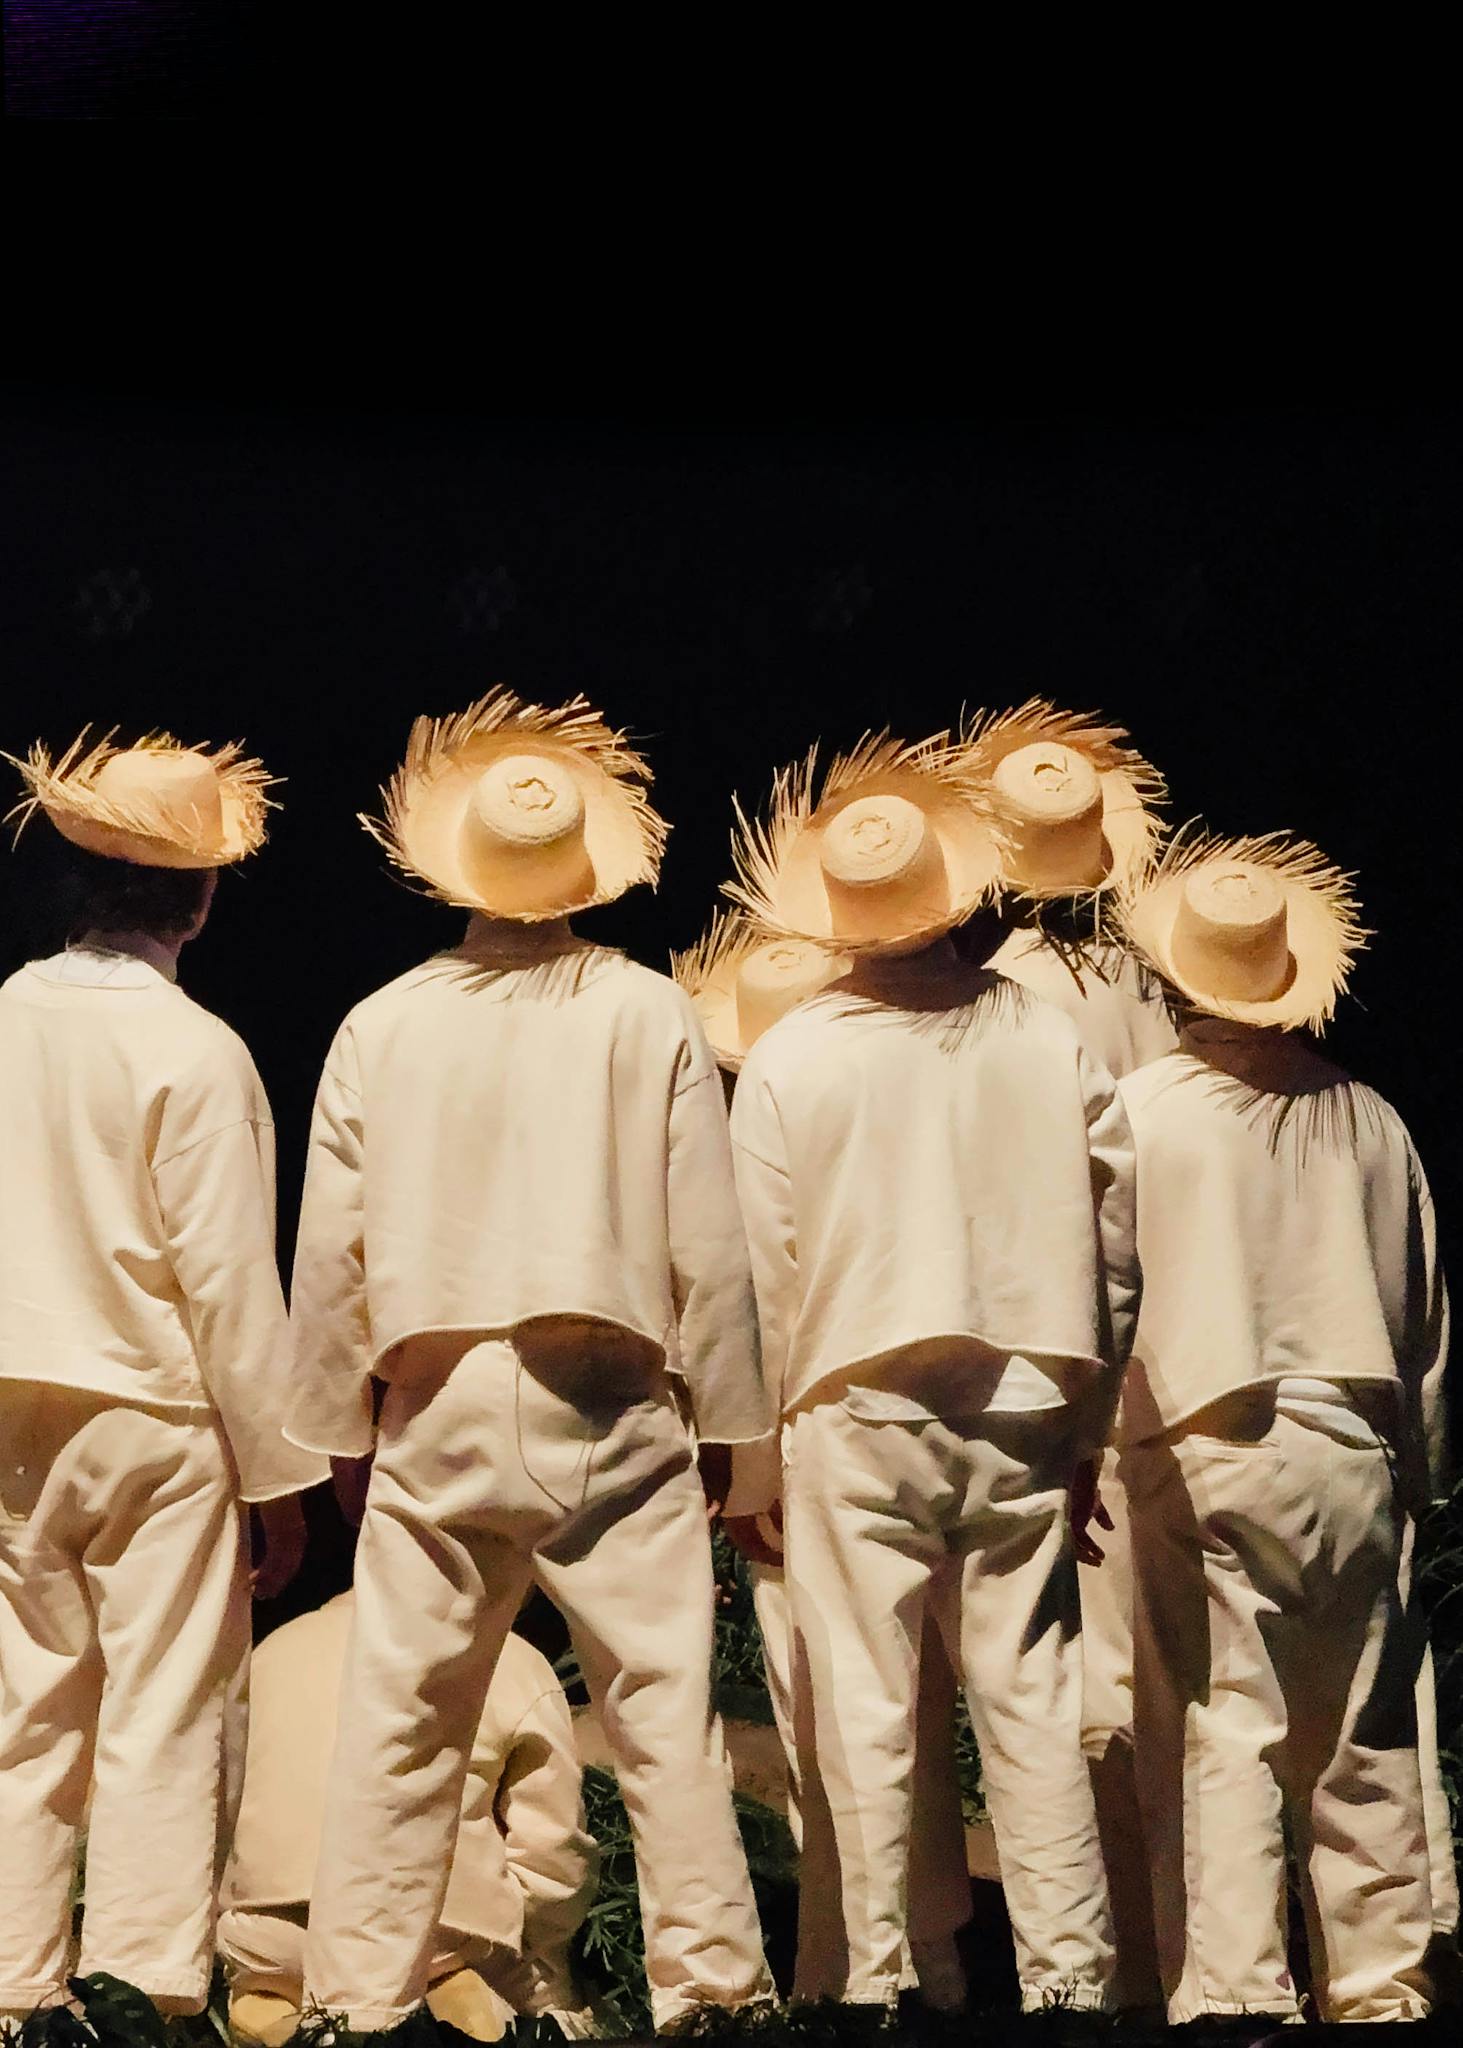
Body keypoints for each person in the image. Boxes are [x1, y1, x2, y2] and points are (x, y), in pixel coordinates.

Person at [285, 689, 777, 2036]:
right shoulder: (643, 1013)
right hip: (606, 1394)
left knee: (402, 1715)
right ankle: (714, 1995)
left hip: (436, 1395)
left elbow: (332, 1244)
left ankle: (353, 2004)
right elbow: (708, 1237)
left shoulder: (381, 1023)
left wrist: (335, 1424)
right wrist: (739, 1425)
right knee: (661, 1706)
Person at [721, 729, 1139, 2015]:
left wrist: (759, 1451)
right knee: (1030, 1701)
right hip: (1018, 1398)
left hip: (857, 1402)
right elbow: (1114, 1243)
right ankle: (1071, 1984)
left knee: (864, 1703)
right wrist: (1084, 1428)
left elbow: (764, 1271)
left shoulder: (796, 1052)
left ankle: (885, 1979)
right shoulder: (1041, 1033)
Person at [0, 732, 324, 2022]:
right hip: (154, 1405)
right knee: (166, 1702)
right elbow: (231, 1285)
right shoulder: (196, 1052)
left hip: (13, 1398)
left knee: (24, 1704)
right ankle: (136, 1980)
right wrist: (281, 1475)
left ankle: (15, 1985)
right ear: (198, 896)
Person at [1114, 830, 1449, 2024]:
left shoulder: (1141, 1109)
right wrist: (1418, 1476)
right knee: (1359, 1736)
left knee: (1226, 1729)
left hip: (1203, 1444)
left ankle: (1234, 1989)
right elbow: (1420, 1323)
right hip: (1351, 1444)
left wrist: (1091, 1448)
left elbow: (1105, 1293)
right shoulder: (1372, 1120)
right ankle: (1380, 1985)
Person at [673, 910, 973, 2013]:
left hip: (822, 1437)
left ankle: (876, 1965)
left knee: (842, 1715)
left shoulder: (775, 1109)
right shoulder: (884, 1096)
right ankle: (871, 1958)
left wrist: (749, 1473)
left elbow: (753, 1302)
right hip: (923, 1424)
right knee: (893, 1710)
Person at [956, 699, 1177, 2009]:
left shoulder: (1009, 1009)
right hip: (1174, 1358)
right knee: (1173, 1678)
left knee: (1090, 1683)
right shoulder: (1151, 986)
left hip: (1071, 1368)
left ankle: (1116, 1978)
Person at [220, 1585, 597, 2045]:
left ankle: (273, 1999)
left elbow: (224, 1805)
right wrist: (537, 1948)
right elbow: (552, 1852)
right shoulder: (511, 1657)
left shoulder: (273, 1649)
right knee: (559, 2008)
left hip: (264, 1926)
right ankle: (456, 1999)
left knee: (279, 1967)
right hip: (436, 1934)